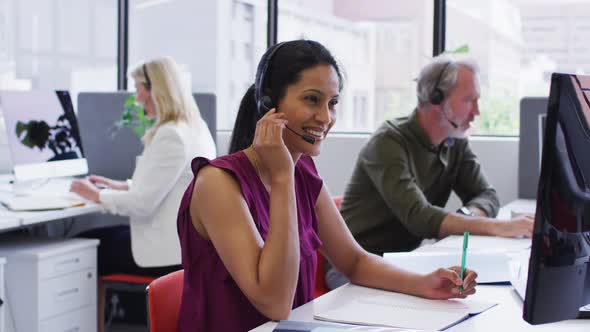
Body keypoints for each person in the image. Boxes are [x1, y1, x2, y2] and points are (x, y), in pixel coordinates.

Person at [176, 40, 478, 331]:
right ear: (268, 103)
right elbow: (275, 303)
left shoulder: (302, 171)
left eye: (332, 103)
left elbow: (354, 261)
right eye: (311, 99)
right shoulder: (218, 184)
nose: (325, 117)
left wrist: (423, 283)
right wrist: (282, 178)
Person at [325, 56, 533, 289]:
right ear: (436, 98)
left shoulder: (454, 140)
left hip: (405, 263)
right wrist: (499, 226)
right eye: (469, 101)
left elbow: (487, 195)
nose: (477, 112)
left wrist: (468, 216)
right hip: (356, 268)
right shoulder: (388, 142)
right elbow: (421, 219)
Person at [70, 56, 216, 276]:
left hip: (163, 254)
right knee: (93, 241)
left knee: (80, 248)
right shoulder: (195, 128)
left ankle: (90, 312)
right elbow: (169, 184)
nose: (137, 99)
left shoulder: (172, 135)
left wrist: (95, 195)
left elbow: (141, 204)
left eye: (138, 90)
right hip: (183, 245)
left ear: (156, 90)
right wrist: (121, 186)